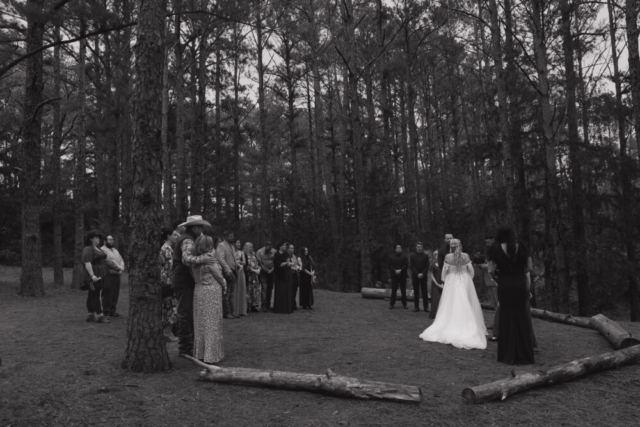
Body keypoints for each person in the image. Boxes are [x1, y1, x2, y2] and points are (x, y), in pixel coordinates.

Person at [419, 239, 487, 349]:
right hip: (464, 280)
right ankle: (467, 325)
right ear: (460, 245)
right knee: (465, 302)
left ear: (451, 247)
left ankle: (450, 324)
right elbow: (471, 271)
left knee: (450, 303)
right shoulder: (466, 256)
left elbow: (444, 273)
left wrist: (447, 281)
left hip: (452, 282)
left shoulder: (447, 257)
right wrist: (466, 278)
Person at [488, 226, 535, 364]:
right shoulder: (521, 246)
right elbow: (530, 267)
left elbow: (490, 270)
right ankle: (525, 354)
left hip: (504, 284)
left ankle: (507, 354)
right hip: (520, 284)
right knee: (522, 316)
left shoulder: (495, 248)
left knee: (506, 316)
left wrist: (499, 277)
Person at [172, 215, 216, 357]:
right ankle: (185, 349)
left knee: (188, 314)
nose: (202, 230)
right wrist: (205, 259)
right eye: (201, 227)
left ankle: (189, 346)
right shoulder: (187, 240)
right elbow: (187, 258)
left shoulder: (189, 238)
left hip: (185, 281)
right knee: (185, 314)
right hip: (183, 281)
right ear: (195, 227)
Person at [192, 235, 226, 365]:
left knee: (201, 322)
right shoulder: (209, 259)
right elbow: (218, 275)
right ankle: (211, 355)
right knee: (212, 322)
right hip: (211, 291)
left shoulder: (195, 259)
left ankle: (200, 353)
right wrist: (224, 284)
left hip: (199, 290)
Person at [81, 230, 109, 323]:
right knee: (94, 295)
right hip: (93, 275)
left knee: (92, 295)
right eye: (96, 237)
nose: (98, 239)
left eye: (99, 237)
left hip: (100, 274)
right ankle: (100, 316)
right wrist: (92, 275)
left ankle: (90, 315)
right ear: (91, 239)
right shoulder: (88, 249)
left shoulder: (98, 248)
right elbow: (87, 262)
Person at [159, 227, 180, 342]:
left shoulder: (168, 249)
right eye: (174, 235)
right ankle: (167, 332)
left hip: (167, 281)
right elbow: (171, 267)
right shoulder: (166, 250)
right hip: (168, 282)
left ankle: (168, 331)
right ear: (168, 236)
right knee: (171, 307)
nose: (177, 237)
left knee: (169, 306)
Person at [478, 235, 500, 341]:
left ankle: (498, 325)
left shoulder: (497, 250)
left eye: (488, 242)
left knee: (498, 304)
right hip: (489, 281)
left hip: (495, 282)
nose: (487, 244)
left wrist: (485, 266)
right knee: (494, 304)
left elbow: (493, 266)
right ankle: (496, 323)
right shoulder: (490, 251)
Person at [101, 235, 125, 319]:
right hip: (109, 274)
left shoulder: (115, 250)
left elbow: (121, 259)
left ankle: (112, 311)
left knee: (115, 293)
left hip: (117, 274)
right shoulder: (103, 250)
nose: (112, 241)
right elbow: (108, 262)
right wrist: (118, 268)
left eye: (112, 240)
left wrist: (121, 268)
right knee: (108, 293)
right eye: (110, 240)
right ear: (105, 241)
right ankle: (106, 311)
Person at [216, 230, 238, 319]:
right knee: (226, 293)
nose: (233, 237)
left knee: (231, 293)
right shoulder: (221, 245)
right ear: (226, 237)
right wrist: (227, 269)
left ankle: (232, 311)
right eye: (231, 236)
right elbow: (221, 259)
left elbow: (233, 258)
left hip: (234, 270)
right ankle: (226, 312)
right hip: (227, 271)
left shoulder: (232, 246)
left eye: (233, 236)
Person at [273, 241, 294, 314]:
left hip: (286, 274)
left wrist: (286, 263)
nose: (285, 247)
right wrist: (285, 263)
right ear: (280, 246)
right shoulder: (276, 254)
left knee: (286, 291)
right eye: (284, 245)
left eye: (286, 246)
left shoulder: (286, 254)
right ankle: (279, 308)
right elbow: (278, 265)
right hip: (279, 275)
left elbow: (288, 263)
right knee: (280, 291)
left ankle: (287, 308)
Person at [409, 242, 430, 312]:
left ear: (422, 247)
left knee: (424, 292)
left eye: (420, 246)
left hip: (423, 276)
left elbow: (427, 267)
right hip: (415, 276)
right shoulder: (412, 256)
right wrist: (417, 274)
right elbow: (411, 266)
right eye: (418, 246)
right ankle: (416, 307)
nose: (419, 248)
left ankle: (426, 307)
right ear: (416, 248)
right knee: (416, 292)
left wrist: (422, 274)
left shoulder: (425, 256)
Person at [256, 242, 276, 312]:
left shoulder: (274, 252)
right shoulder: (259, 252)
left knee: (270, 288)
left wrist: (272, 270)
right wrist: (266, 270)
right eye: (268, 248)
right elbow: (259, 263)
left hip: (272, 272)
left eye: (270, 248)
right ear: (265, 246)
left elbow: (275, 262)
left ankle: (268, 304)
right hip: (263, 272)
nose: (269, 249)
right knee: (264, 288)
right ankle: (263, 304)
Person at [388, 244, 408, 309]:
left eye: (400, 248)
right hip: (394, 275)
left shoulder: (404, 256)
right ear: (395, 249)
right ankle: (392, 303)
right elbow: (390, 265)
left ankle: (404, 304)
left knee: (403, 290)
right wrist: (395, 270)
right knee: (394, 289)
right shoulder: (391, 257)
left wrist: (400, 270)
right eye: (397, 248)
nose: (399, 249)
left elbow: (406, 265)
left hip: (402, 275)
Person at [244, 242, 262, 313]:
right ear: (245, 247)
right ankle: (247, 306)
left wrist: (259, 269)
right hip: (249, 276)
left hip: (255, 276)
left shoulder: (254, 255)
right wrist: (253, 270)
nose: (251, 248)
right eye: (249, 247)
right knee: (249, 290)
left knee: (255, 291)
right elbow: (246, 266)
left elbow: (258, 263)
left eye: (252, 247)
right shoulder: (244, 255)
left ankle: (254, 306)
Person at [427, 250, 444, 319]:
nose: (437, 255)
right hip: (435, 284)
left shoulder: (443, 264)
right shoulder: (432, 265)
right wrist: (437, 284)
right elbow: (431, 276)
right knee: (436, 299)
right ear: (434, 256)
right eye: (436, 254)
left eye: (439, 254)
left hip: (444, 284)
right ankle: (435, 314)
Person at [233, 239, 248, 316]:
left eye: (239, 242)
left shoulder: (241, 252)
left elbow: (244, 262)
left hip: (241, 271)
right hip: (234, 269)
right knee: (235, 288)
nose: (239, 244)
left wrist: (240, 263)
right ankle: (235, 309)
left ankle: (241, 309)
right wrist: (237, 263)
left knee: (241, 288)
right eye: (237, 242)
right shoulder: (231, 251)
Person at [289, 244, 301, 310]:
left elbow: (296, 265)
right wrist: (294, 268)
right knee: (290, 289)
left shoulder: (294, 256)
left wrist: (298, 268)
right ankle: (291, 303)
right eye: (291, 248)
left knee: (295, 289)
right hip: (290, 274)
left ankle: (293, 303)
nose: (292, 249)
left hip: (295, 274)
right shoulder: (287, 256)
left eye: (293, 248)